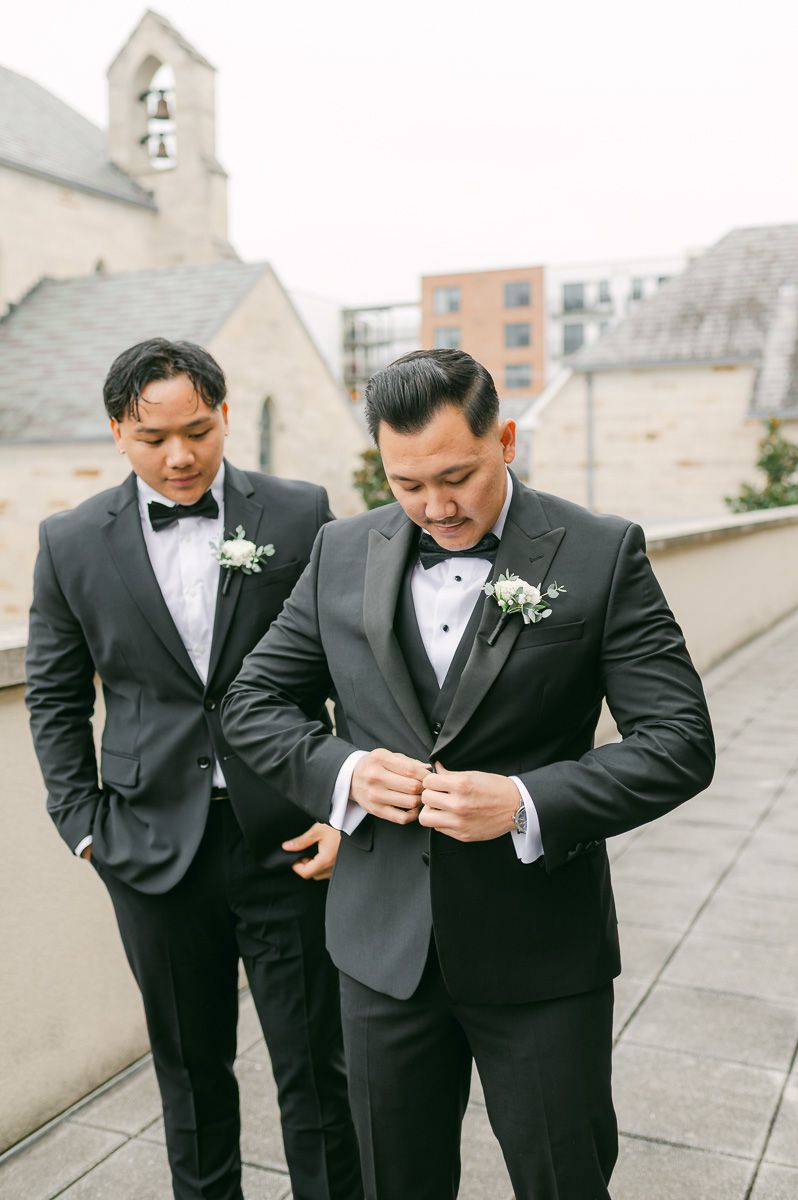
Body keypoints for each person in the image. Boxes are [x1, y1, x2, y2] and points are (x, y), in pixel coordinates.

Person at [221, 347, 715, 1200]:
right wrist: (345, 776)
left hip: (540, 951)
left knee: (564, 1180)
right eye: (407, 483)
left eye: (457, 477)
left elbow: (679, 741)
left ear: (507, 440)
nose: (435, 507)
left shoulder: (600, 553)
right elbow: (253, 701)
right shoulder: (341, 550)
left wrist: (527, 800)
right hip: (381, 952)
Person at [25, 339, 362, 1200]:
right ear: (117, 433)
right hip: (146, 849)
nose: (180, 456)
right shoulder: (68, 542)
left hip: (287, 836)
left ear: (225, 414)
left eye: (199, 431)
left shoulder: (297, 513)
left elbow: (347, 671)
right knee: (189, 1076)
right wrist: (82, 829)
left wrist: (340, 803)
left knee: (317, 1072)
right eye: (153, 437)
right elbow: (56, 698)